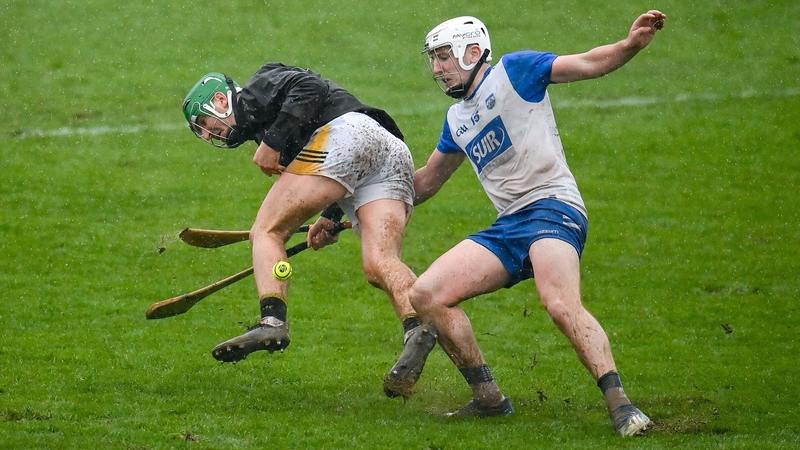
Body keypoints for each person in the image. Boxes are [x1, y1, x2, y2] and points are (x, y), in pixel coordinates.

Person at [407, 11, 667, 436]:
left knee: (560, 304)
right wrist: (352, 205)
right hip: (509, 225)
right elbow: (425, 184)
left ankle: (621, 405)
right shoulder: (456, 120)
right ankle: (489, 399)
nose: (437, 68)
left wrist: (629, 46)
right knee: (426, 294)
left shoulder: (516, 71)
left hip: (552, 207)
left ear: (472, 52)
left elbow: (588, 63)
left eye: (443, 57)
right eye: (434, 59)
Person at [180, 65, 437, 397]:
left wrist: (272, 142)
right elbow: (341, 171)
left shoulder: (257, 89)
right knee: (380, 263)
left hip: (348, 135)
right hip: (388, 150)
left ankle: (272, 322)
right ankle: (418, 327)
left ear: (220, 100)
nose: (207, 135)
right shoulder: (260, 119)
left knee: (267, 232)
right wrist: (330, 217)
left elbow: (310, 85)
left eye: (204, 123)